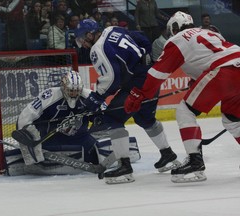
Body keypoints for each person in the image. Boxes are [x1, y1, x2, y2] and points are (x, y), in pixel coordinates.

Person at [124, 11, 240, 183]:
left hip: (223, 71)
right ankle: (195, 159)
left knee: (185, 111)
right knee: (232, 119)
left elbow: (157, 74)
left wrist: (139, 94)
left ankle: (195, 162)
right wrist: (197, 80)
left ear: (174, 28)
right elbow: (211, 55)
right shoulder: (209, 32)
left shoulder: (177, 40)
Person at [74, 19, 180, 184]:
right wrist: (146, 56)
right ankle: (169, 156)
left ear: (90, 34)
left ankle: (125, 168)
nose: (82, 44)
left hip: (136, 84)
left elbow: (112, 78)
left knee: (112, 118)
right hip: (151, 75)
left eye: (82, 39)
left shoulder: (97, 49)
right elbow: (141, 37)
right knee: (145, 118)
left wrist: (97, 97)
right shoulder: (113, 29)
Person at [6, 70, 140, 176]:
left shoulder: (89, 96)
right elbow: (25, 116)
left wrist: (99, 120)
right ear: (63, 87)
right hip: (50, 139)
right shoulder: (49, 96)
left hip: (81, 138)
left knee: (97, 150)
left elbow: (107, 117)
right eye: (71, 90)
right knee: (35, 157)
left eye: (77, 91)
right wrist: (27, 138)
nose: (74, 94)